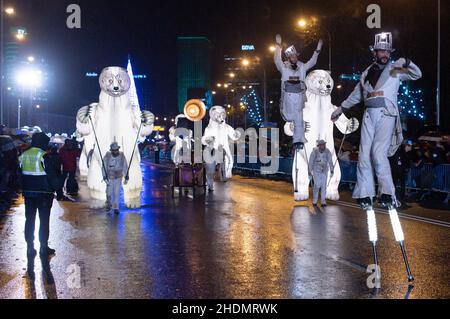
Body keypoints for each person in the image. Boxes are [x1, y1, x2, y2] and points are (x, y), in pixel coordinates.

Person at [331, 32, 422, 209]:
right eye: (381, 51)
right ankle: (365, 194)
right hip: (369, 115)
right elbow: (356, 95)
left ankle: (387, 193)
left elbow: (417, 74)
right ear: (375, 52)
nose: (385, 54)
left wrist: (407, 62)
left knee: (378, 153)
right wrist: (340, 109)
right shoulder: (366, 73)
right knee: (364, 155)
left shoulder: (396, 69)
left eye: (387, 51)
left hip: (386, 114)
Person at [274, 34, 323, 150]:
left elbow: (312, 62)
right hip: (288, 97)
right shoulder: (284, 67)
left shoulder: (302, 67)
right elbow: (277, 59)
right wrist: (278, 46)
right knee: (291, 116)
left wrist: (317, 50)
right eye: (292, 56)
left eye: (295, 56)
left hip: (299, 97)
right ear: (288, 57)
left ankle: (298, 140)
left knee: (299, 120)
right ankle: (293, 137)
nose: (294, 58)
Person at [19, 132, 61, 259]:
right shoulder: (43, 156)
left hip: (29, 194)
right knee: (44, 221)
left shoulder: (23, 155)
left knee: (29, 220)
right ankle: (43, 247)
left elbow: (19, 174)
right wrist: (58, 189)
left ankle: (30, 247)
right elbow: (52, 176)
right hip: (44, 194)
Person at [103, 142, 128, 214]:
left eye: (116, 150)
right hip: (109, 178)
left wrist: (126, 176)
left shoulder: (122, 156)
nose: (115, 151)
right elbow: (103, 166)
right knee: (109, 192)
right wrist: (104, 176)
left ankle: (116, 208)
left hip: (118, 177)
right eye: (114, 150)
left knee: (117, 193)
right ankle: (108, 205)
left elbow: (125, 166)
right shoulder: (107, 156)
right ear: (111, 150)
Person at [308, 140, 334, 207]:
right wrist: (309, 172)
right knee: (316, 186)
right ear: (319, 145)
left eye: (324, 144)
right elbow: (310, 162)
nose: (324, 145)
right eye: (322, 144)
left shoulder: (327, 151)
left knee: (324, 186)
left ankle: (323, 202)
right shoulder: (314, 152)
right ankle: (315, 201)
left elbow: (330, 161)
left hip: (324, 171)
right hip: (316, 171)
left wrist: (332, 170)